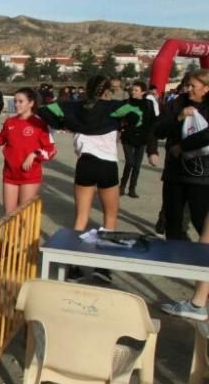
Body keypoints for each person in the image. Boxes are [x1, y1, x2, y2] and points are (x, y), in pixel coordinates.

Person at [37, 75, 144, 282]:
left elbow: (44, 110)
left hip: (85, 164)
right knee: (110, 217)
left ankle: (73, 267)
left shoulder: (73, 107)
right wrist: (124, 125)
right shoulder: (114, 107)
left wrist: (64, 123)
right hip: (107, 166)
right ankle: (102, 268)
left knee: (80, 218)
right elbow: (138, 114)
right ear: (107, 91)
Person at [153, 69, 209, 243]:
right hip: (175, 172)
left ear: (206, 88)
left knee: (200, 220)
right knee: (173, 222)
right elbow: (158, 130)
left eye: (193, 86)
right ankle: (178, 260)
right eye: (187, 85)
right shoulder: (178, 103)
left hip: (202, 175)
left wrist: (182, 146)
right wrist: (179, 117)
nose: (188, 89)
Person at [0, 87, 56, 213]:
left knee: (23, 215)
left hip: (29, 176)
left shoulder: (41, 123)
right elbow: (1, 139)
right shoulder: (9, 122)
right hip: (9, 175)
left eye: (20, 101)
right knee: (8, 216)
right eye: (15, 101)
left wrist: (34, 154)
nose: (16, 104)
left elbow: (51, 150)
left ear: (31, 103)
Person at [119, 80, 159, 199]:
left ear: (143, 92)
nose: (133, 92)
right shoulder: (125, 103)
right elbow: (118, 116)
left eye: (136, 90)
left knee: (137, 165)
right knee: (130, 162)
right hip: (128, 137)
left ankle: (132, 188)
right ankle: (122, 186)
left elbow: (153, 120)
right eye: (132, 90)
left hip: (142, 138)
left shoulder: (149, 104)